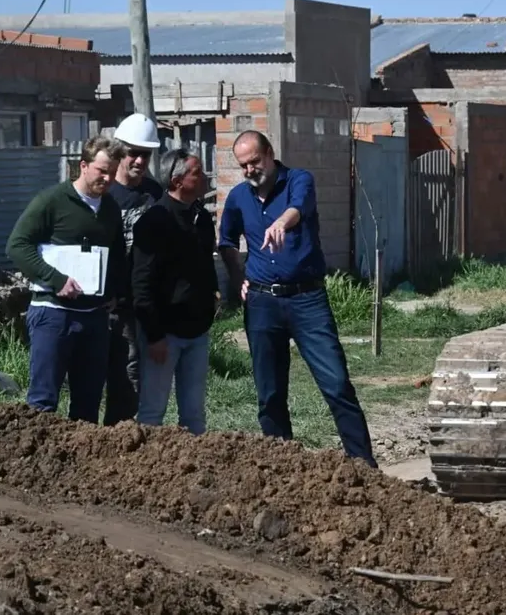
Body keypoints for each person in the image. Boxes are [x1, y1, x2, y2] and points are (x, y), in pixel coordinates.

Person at [217, 130, 377, 468]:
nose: (249, 170)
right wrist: (237, 276)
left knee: (336, 383)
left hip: (307, 300)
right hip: (262, 303)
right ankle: (282, 466)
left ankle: (363, 465)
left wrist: (281, 222)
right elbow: (227, 240)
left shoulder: (298, 180)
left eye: (254, 162)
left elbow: (299, 207)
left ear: (270, 153)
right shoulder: (238, 198)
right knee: (270, 392)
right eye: (243, 165)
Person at [5, 135, 127, 423]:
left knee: (88, 404)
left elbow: (118, 254)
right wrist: (56, 279)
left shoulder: (110, 208)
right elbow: (17, 246)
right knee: (42, 403)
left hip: (94, 317)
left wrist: (113, 291)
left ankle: (81, 454)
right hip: (53, 314)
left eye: (113, 172)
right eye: (102, 171)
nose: (108, 179)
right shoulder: (51, 201)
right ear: (83, 166)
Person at [131, 148, 220, 434]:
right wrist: (154, 335)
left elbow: (205, 263)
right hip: (164, 334)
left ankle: (195, 459)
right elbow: (141, 283)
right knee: (152, 410)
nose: (205, 177)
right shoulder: (155, 221)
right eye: (197, 173)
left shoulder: (201, 218)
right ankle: (147, 459)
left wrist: (213, 293)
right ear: (177, 180)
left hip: (197, 331)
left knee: (194, 413)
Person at [104, 113, 163, 426]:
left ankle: (134, 434)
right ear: (119, 151)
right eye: (133, 153)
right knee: (118, 375)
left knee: (140, 374)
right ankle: (114, 435)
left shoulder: (154, 194)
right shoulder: (104, 192)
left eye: (146, 154)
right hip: (113, 302)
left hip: (147, 302)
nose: (140, 161)